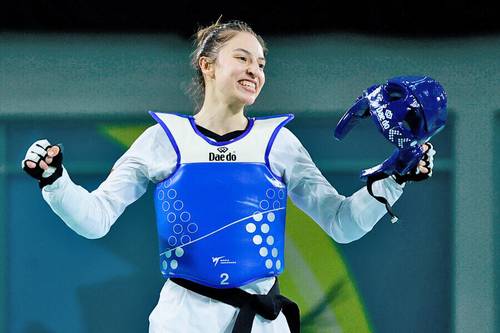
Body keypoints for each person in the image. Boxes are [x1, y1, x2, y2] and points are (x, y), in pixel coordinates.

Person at [22, 19, 436, 333]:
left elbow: (342, 223)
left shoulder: (279, 143)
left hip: (263, 322)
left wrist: (394, 180)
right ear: (207, 65)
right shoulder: (163, 140)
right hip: (183, 319)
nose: (255, 69)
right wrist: (55, 181)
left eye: (261, 62)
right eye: (242, 57)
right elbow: (95, 219)